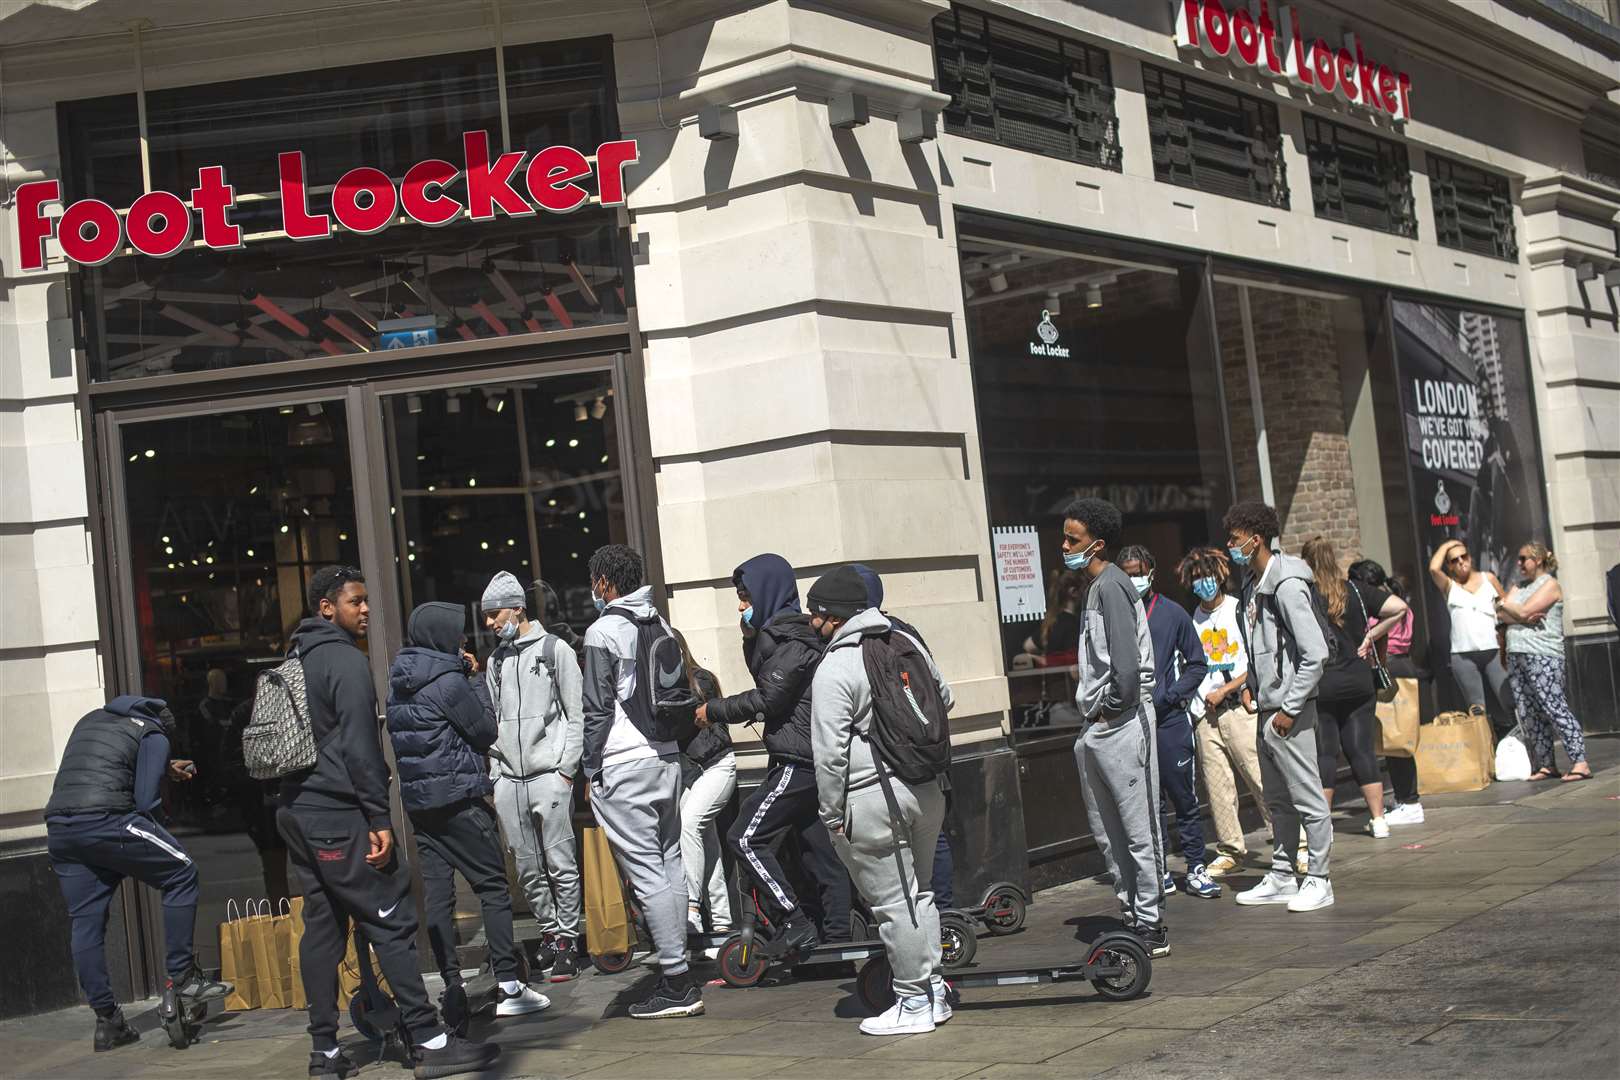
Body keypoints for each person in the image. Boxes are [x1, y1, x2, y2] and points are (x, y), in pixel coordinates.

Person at [278, 566, 497, 1078]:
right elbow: (360, 748)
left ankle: (325, 1053)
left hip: (298, 813)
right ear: (326, 607)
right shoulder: (344, 663)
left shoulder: (294, 659)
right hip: (339, 814)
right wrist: (378, 818)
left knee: (323, 929)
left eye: (367, 601)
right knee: (391, 921)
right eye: (356, 601)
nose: (366, 610)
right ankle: (431, 1040)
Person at [385, 601, 549, 1029]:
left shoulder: (400, 682)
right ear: (442, 635)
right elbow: (485, 730)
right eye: (458, 633)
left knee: (438, 896)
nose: (463, 640)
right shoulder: (449, 682)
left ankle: (452, 985)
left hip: (422, 807)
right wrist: (474, 679)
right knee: (493, 886)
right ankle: (510, 986)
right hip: (460, 799)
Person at [808, 565, 954, 1036]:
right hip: (927, 791)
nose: (813, 622)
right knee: (921, 895)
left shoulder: (837, 665)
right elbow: (943, 697)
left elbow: (828, 754)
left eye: (817, 613)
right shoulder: (906, 640)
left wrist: (831, 815)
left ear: (835, 616)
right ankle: (934, 993)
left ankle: (913, 1004)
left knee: (895, 905)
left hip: (875, 801)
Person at [45, 696, 229, 1053]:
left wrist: (161, 767)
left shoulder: (92, 719)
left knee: (86, 920)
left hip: (62, 827)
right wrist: (163, 833)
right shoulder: (154, 734)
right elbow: (145, 803)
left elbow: (106, 766)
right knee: (181, 872)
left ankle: (108, 1021)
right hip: (107, 819)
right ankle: (183, 975)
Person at [702, 555, 850, 954]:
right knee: (818, 855)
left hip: (797, 761)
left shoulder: (792, 642)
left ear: (766, 594)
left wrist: (710, 710)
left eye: (746, 598)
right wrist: (752, 636)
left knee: (744, 837)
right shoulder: (781, 637)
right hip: (803, 759)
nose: (740, 606)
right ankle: (836, 944)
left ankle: (794, 920)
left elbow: (768, 697)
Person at [581, 544, 704, 1019]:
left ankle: (676, 982)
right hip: (666, 757)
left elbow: (596, 707)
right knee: (669, 862)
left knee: (647, 870)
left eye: (595, 581)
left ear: (606, 584)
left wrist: (591, 768)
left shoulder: (603, 630)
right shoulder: (661, 624)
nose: (594, 590)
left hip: (624, 762)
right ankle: (680, 968)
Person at [1061, 498, 1167, 955]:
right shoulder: (1096, 587)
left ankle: (1151, 921)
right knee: (1109, 831)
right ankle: (1132, 913)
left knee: (1137, 827)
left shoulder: (1113, 585)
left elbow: (1126, 665)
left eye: (1073, 539)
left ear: (1097, 544)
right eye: (1064, 536)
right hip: (1100, 725)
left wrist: (1112, 709)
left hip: (1122, 722)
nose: (1063, 545)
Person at [1224, 503, 1335, 913]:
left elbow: (1314, 652)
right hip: (1269, 709)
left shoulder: (1286, 585)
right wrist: (1253, 684)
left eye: (1234, 539)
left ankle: (1320, 878)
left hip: (1289, 710)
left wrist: (1289, 707)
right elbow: (1263, 648)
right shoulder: (1255, 585)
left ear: (1255, 538)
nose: (1230, 546)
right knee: (1277, 798)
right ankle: (1284, 874)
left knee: (1307, 796)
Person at [481, 570, 585, 983]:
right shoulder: (495, 660)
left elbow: (576, 713)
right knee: (525, 866)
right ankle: (548, 932)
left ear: (518, 609)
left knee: (560, 862)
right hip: (510, 778)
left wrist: (566, 770)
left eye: (495, 613)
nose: (490, 622)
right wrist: (496, 774)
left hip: (549, 774)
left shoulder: (556, 649)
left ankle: (567, 940)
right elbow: (494, 718)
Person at [850, 563, 957, 909]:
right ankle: (942, 911)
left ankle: (930, 914)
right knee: (931, 835)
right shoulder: (905, 633)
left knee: (912, 844)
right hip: (928, 757)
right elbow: (944, 695)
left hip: (889, 765)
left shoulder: (858, 643)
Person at [1117, 545, 1215, 900]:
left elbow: (1197, 663)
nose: (1133, 579)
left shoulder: (1172, 614)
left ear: (1151, 573)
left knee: (1183, 797)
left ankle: (1196, 867)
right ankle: (1159, 871)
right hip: (1132, 725)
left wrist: (1172, 696)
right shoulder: (1118, 615)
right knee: (1148, 803)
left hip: (1170, 723)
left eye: (1138, 572)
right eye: (1125, 573)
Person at [1301, 536, 1410, 839]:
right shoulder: (1356, 591)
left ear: (1306, 563)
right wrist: (1371, 636)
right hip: (1359, 681)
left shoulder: (1306, 595)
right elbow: (1399, 608)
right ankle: (1378, 820)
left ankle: (1324, 829)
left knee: (1325, 753)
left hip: (1324, 683)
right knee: (1361, 749)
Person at [1178, 547, 1271, 878]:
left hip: (1237, 709)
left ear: (1221, 576)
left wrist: (1229, 690)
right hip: (1205, 715)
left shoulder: (1238, 611)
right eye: (1198, 578)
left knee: (1260, 778)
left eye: (1210, 576)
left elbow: (1257, 659)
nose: (1205, 583)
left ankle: (1291, 842)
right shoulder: (1191, 621)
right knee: (1217, 787)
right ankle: (1231, 848)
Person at [1498, 542, 1589, 782]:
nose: (1519, 564)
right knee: (1529, 712)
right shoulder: (1519, 586)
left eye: (1523, 558)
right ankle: (1546, 764)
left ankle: (1580, 761)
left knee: (1554, 706)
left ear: (1538, 560)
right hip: (1517, 654)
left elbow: (1522, 611)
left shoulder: (1550, 585)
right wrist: (1515, 613)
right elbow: (1501, 613)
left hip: (1543, 654)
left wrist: (1514, 611)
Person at [1350, 561, 1425, 825]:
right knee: (1396, 736)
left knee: (1395, 738)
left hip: (1388, 667)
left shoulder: (1379, 609)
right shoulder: (1397, 600)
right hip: (1402, 664)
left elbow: (1376, 638)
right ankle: (1405, 797)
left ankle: (1410, 801)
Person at [675, 638, 735, 945]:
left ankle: (693, 909)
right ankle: (723, 922)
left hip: (715, 766)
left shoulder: (699, 680)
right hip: (689, 772)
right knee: (706, 845)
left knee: (689, 826)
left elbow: (692, 719)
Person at [1428, 539, 1511, 731]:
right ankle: (1486, 752)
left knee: (1507, 701)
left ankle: (1520, 747)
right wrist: (1447, 545)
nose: (1460, 562)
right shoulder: (1449, 586)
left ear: (1470, 558)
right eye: (1454, 560)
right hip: (1462, 654)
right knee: (1476, 708)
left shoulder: (1488, 579)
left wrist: (1507, 638)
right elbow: (1433, 569)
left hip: (1493, 650)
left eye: (1463, 556)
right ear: (1449, 566)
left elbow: (1507, 607)